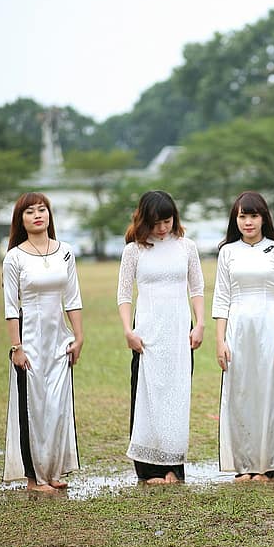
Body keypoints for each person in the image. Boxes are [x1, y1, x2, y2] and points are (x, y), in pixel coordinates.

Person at [116, 190, 205, 484]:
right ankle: (147, 468)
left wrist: (200, 323)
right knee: (147, 396)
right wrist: (128, 330)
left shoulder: (186, 247)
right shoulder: (134, 250)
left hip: (179, 331)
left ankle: (173, 466)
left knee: (177, 397)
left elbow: (196, 288)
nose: (162, 228)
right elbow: (124, 293)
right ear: (144, 220)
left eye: (167, 221)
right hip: (147, 332)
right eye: (155, 223)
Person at [212, 191, 274, 481]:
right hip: (237, 330)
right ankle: (243, 466)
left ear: (264, 218)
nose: (248, 222)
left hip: (269, 328)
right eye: (242, 216)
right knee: (239, 395)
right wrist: (220, 340)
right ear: (235, 219)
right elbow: (221, 298)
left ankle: (265, 465)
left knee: (267, 393)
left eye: (253, 215)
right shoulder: (228, 252)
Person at [2, 192, 84, 493]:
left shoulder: (65, 251)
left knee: (57, 405)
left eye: (43, 210)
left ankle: (52, 471)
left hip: (60, 340)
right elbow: (11, 306)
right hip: (30, 341)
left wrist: (79, 336)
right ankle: (33, 478)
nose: (38, 215)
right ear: (20, 219)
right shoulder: (14, 257)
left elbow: (72, 298)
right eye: (30, 212)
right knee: (32, 407)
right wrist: (17, 347)